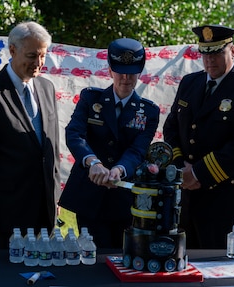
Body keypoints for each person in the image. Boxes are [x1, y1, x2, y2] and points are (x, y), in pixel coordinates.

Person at [163, 24, 234, 250]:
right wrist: (181, 167)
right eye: (205, 54)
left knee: (221, 275)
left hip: (227, 202)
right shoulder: (190, 83)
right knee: (186, 271)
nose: (210, 60)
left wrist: (198, 173)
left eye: (217, 53)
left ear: (232, 51)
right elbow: (171, 128)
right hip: (188, 199)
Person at [0, 21, 61, 249]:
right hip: (6, 210)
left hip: (43, 207)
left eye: (43, 56)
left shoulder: (47, 88)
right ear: (13, 50)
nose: (38, 63)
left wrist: (54, 195)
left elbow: (51, 147)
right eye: (32, 55)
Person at [58, 38, 160, 249]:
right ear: (110, 69)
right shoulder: (90, 99)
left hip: (124, 197)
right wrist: (92, 162)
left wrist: (120, 169)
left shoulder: (149, 111)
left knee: (124, 258)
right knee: (92, 257)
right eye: (120, 71)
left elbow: (138, 149)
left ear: (139, 71)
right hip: (90, 195)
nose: (125, 78)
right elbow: (75, 134)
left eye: (131, 72)